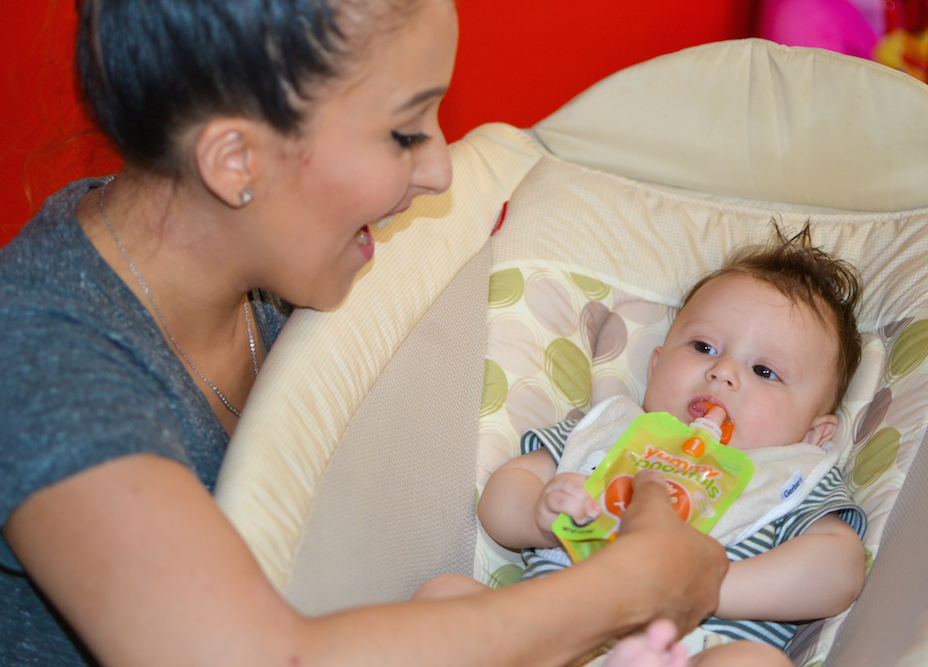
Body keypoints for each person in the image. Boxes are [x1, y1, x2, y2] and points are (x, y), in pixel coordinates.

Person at [0, 0, 730, 665]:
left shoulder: (272, 275)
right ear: (235, 161)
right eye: (406, 131)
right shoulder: (40, 360)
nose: (442, 171)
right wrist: (628, 585)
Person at [477, 228, 868, 666]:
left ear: (814, 434)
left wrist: (709, 585)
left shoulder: (789, 474)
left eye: (764, 371)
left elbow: (840, 569)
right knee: (448, 598)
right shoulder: (612, 429)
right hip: (547, 635)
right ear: (657, 365)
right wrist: (541, 517)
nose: (722, 372)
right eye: (703, 347)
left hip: (685, 651)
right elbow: (502, 494)